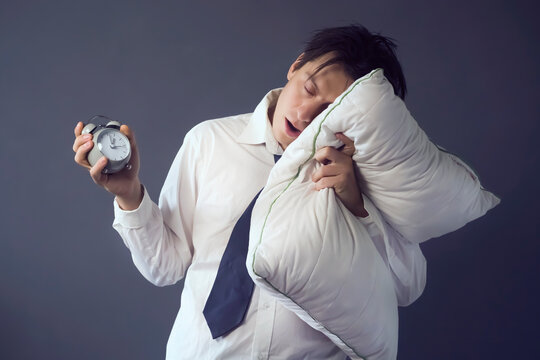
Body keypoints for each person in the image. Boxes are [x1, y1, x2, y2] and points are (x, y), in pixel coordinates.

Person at [73, 24, 421, 359]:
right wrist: (130, 195)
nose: (304, 114)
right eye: (309, 89)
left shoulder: (365, 177)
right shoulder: (208, 142)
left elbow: (406, 287)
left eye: (330, 111)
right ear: (296, 66)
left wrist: (356, 204)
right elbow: (165, 265)